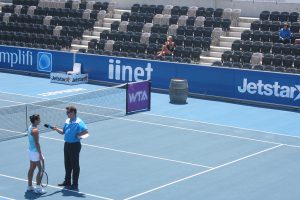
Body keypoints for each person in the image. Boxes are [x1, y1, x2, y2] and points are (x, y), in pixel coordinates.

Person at [52, 106, 88, 190]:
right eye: (66, 112)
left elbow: (86, 132)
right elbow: (63, 132)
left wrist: (78, 135)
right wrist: (56, 129)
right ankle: (67, 181)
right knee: (67, 164)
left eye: (68, 112)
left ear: (73, 113)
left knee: (75, 165)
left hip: (75, 145)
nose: (67, 114)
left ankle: (75, 184)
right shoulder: (67, 121)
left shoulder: (79, 122)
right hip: (67, 145)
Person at [27, 114, 46, 194]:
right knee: (41, 169)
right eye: (39, 119)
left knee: (32, 168)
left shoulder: (30, 127)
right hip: (35, 152)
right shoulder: (35, 130)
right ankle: (38, 188)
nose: (40, 120)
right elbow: (37, 143)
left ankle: (30, 186)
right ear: (35, 120)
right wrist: (41, 155)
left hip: (31, 151)